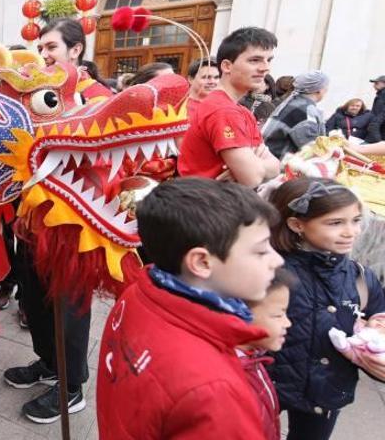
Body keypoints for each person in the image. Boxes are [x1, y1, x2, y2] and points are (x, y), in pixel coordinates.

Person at [96, 178, 283, 439]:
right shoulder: (214, 391)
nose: (278, 260)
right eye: (261, 251)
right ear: (202, 262)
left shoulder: (141, 292)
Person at [6, 18, 93, 424]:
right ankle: (48, 363)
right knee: (36, 300)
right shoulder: (33, 93)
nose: (44, 55)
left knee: (68, 305)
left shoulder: (94, 96)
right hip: (29, 222)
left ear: (76, 50)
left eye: (52, 48)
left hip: (71, 227)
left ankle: (72, 384)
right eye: (41, 48)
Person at [267, 178, 385, 440]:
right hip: (269, 384)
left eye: (355, 220)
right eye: (335, 223)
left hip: (327, 388)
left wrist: (375, 336)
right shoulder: (269, 272)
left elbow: (378, 312)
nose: (351, 232)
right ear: (297, 224)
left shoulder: (359, 276)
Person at [178, 26, 281, 187]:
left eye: (269, 60)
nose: (265, 68)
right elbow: (252, 178)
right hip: (209, 204)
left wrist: (254, 167)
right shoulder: (223, 110)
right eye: (255, 60)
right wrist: (254, 165)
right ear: (227, 66)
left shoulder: (241, 111)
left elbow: (275, 166)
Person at [238, 267, 297, 440]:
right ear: (238, 314)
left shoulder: (252, 358)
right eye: (278, 315)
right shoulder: (230, 378)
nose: (288, 323)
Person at [262, 70, 329, 159]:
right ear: (319, 90)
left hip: (267, 158)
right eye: (326, 87)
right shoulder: (306, 110)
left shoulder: (293, 102)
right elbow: (312, 149)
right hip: (278, 164)